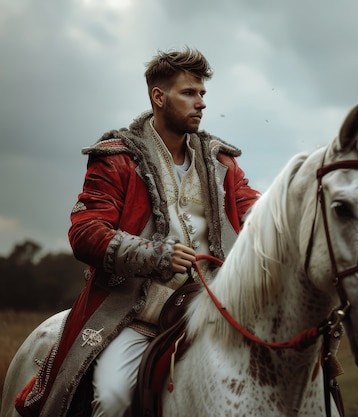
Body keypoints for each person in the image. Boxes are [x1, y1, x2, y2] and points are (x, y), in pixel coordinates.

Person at [16, 48, 261, 417]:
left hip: (217, 310)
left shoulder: (222, 161)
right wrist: (155, 255)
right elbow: (85, 231)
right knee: (113, 398)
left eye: (203, 94)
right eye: (189, 93)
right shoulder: (116, 158)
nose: (201, 103)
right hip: (136, 316)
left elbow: (255, 214)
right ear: (158, 96)